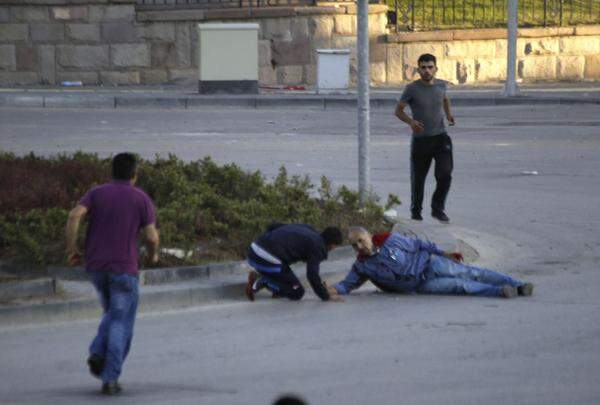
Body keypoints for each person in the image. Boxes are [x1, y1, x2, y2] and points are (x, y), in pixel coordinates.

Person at [65, 153, 159, 395]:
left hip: (96, 267)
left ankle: (98, 353)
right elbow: (151, 236)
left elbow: (75, 215)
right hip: (124, 269)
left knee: (112, 313)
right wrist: (152, 256)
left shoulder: (97, 193)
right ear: (134, 175)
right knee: (120, 320)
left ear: (112, 172)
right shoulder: (141, 198)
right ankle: (110, 376)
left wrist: (72, 249)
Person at [328, 227, 534, 299]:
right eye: (354, 245)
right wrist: (332, 290)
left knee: (471, 274)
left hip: (431, 264)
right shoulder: (362, 266)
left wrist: (444, 253)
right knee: (460, 286)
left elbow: (419, 244)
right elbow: (348, 285)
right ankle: (501, 292)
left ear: (370, 236)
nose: (359, 247)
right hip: (421, 285)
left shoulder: (390, 239)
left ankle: (517, 285)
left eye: (361, 241)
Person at [395, 53, 455, 223]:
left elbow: (444, 100)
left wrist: (449, 115)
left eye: (430, 67)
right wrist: (411, 122)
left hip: (441, 138)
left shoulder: (442, 85)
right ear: (418, 69)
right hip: (421, 141)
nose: (427, 70)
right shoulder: (412, 89)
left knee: (445, 174)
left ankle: (437, 209)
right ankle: (416, 212)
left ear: (436, 68)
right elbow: (398, 111)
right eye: (423, 67)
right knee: (418, 179)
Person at [245, 223, 343, 302]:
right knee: (297, 291)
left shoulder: (308, 229)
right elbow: (312, 276)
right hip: (264, 258)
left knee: (286, 274)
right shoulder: (317, 247)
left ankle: (277, 289)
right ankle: (263, 281)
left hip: (254, 249)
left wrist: (267, 242)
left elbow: (272, 226)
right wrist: (326, 296)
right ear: (332, 245)